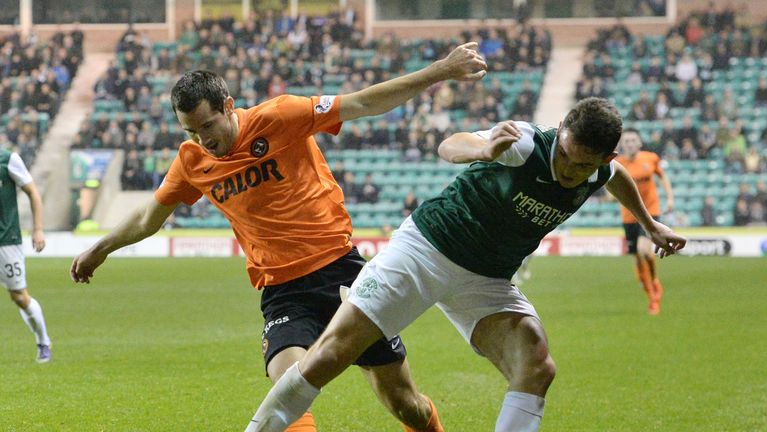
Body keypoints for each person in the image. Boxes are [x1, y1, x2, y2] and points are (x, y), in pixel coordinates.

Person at [71, 42, 488, 432]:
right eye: (190, 132)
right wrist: (99, 249)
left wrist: (441, 71)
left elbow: (362, 102)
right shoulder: (192, 162)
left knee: (406, 405)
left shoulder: (282, 116)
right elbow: (149, 216)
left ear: (229, 106)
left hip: (342, 275)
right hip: (283, 293)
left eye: (207, 126)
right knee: (289, 395)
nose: (203, 140)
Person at [246, 97, 687, 431]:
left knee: (537, 364)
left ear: (604, 158)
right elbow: (450, 144)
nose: (569, 169)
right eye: (566, 155)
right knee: (332, 354)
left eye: (582, 165)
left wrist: (650, 225)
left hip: (488, 278)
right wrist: (481, 149)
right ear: (560, 132)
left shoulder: (600, 170)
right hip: (426, 249)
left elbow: (618, 179)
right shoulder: (527, 144)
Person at [615, 128, 674, 315]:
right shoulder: (617, 164)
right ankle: (651, 294)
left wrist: (669, 198)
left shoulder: (651, 158)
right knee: (638, 257)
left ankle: (655, 284)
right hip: (629, 216)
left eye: (633, 140)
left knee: (643, 250)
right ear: (622, 145)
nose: (630, 143)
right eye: (627, 141)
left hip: (650, 212)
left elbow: (663, 177)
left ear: (639, 143)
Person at [0, 148, 50, 363]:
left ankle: (43, 342)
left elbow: (32, 192)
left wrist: (37, 228)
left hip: (6, 240)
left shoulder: (7, 159)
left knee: (20, 296)